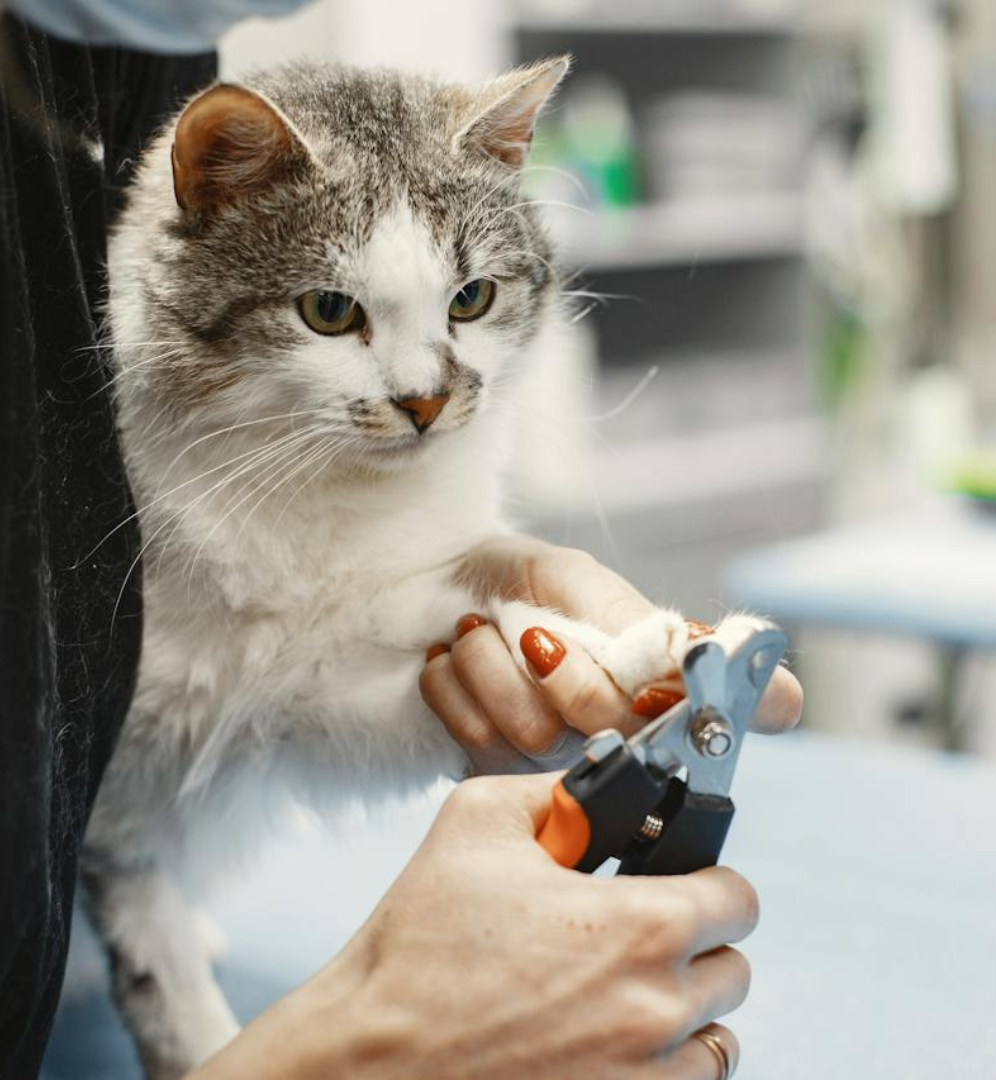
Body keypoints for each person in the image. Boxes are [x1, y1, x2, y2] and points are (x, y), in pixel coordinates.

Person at [0, 5, 802, 1078]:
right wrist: (360, 1041)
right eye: (336, 312)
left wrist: (572, 662)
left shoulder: (127, 47)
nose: (427, 392)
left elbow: (306, 702)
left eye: (470, 299)